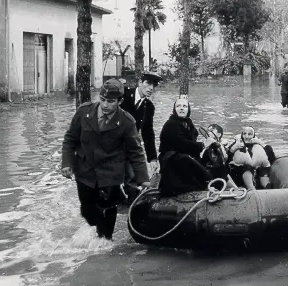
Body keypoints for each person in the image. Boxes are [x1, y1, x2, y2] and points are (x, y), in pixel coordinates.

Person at [61, 79, 150, 240]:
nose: (105, 105)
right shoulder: (84, 112)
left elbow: (136, 152)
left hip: (110, 173)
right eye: (102, 100)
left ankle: (105, 243)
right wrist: (67, 163)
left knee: (108, 208)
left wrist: (143, 179)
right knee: (87, 212)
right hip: (85, 170)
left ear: (120, 101)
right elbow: (70, 139)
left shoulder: (127, 122)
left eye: (110, 101)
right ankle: (97, 228)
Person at [120, 71, 163, 199]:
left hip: (129, 147)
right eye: (148, 83)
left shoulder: (148, 107)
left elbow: (147, 133)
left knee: (133, 177)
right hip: (111, 144)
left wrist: (153, 158)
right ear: (140, 82)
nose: (151, 88)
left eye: (154, 85)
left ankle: (131, 208)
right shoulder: (123, 95)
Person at [157, 98, 211, 197]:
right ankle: (205, 182)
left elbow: (191, 143)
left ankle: (211, 181)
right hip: (171, 158)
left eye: (184, 106)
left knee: (208, 156)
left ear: (188, 109)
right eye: (178, 106)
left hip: (184, 155)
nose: (181, 109)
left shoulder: (189, 123)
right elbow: (181, 144)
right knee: (184, 159)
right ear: (174, 109)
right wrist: (202, 145)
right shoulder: (170, 124)